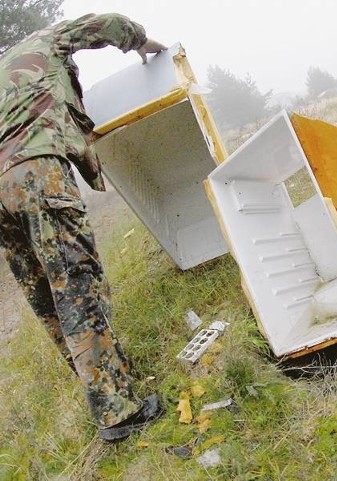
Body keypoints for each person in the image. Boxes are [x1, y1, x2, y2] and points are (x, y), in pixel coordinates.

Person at [0, 13, 167, 442]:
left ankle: (103, 391)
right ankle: (119, 413)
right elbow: (108, 24)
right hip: (37, 172)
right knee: (77, 285)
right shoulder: (48, 37)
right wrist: (145, 44)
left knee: (46, 296)